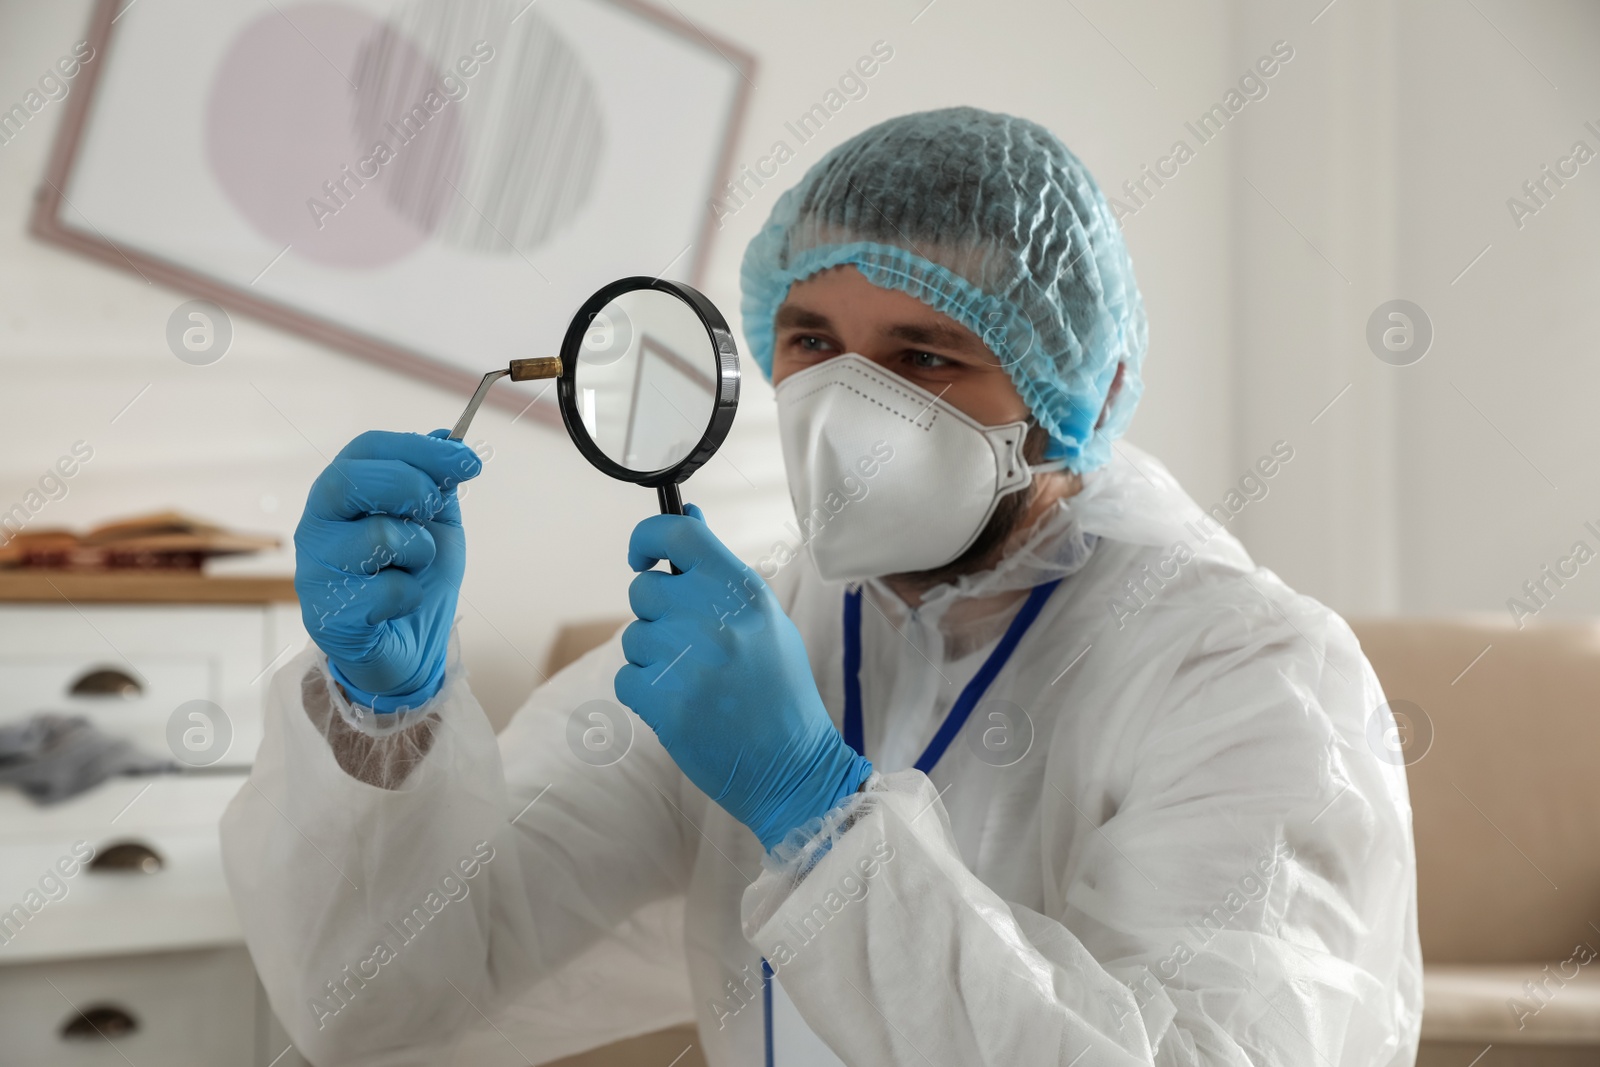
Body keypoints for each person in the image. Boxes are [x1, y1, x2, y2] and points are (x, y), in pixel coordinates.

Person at [222, 107, 1422, 1066]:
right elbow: (382, 1000)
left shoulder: (1246, 671)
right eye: (809, 340)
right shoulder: (746, 639)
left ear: (1081, 397)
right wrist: (384, 724)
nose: (846, 410)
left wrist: (815, 809)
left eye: (923, 354)